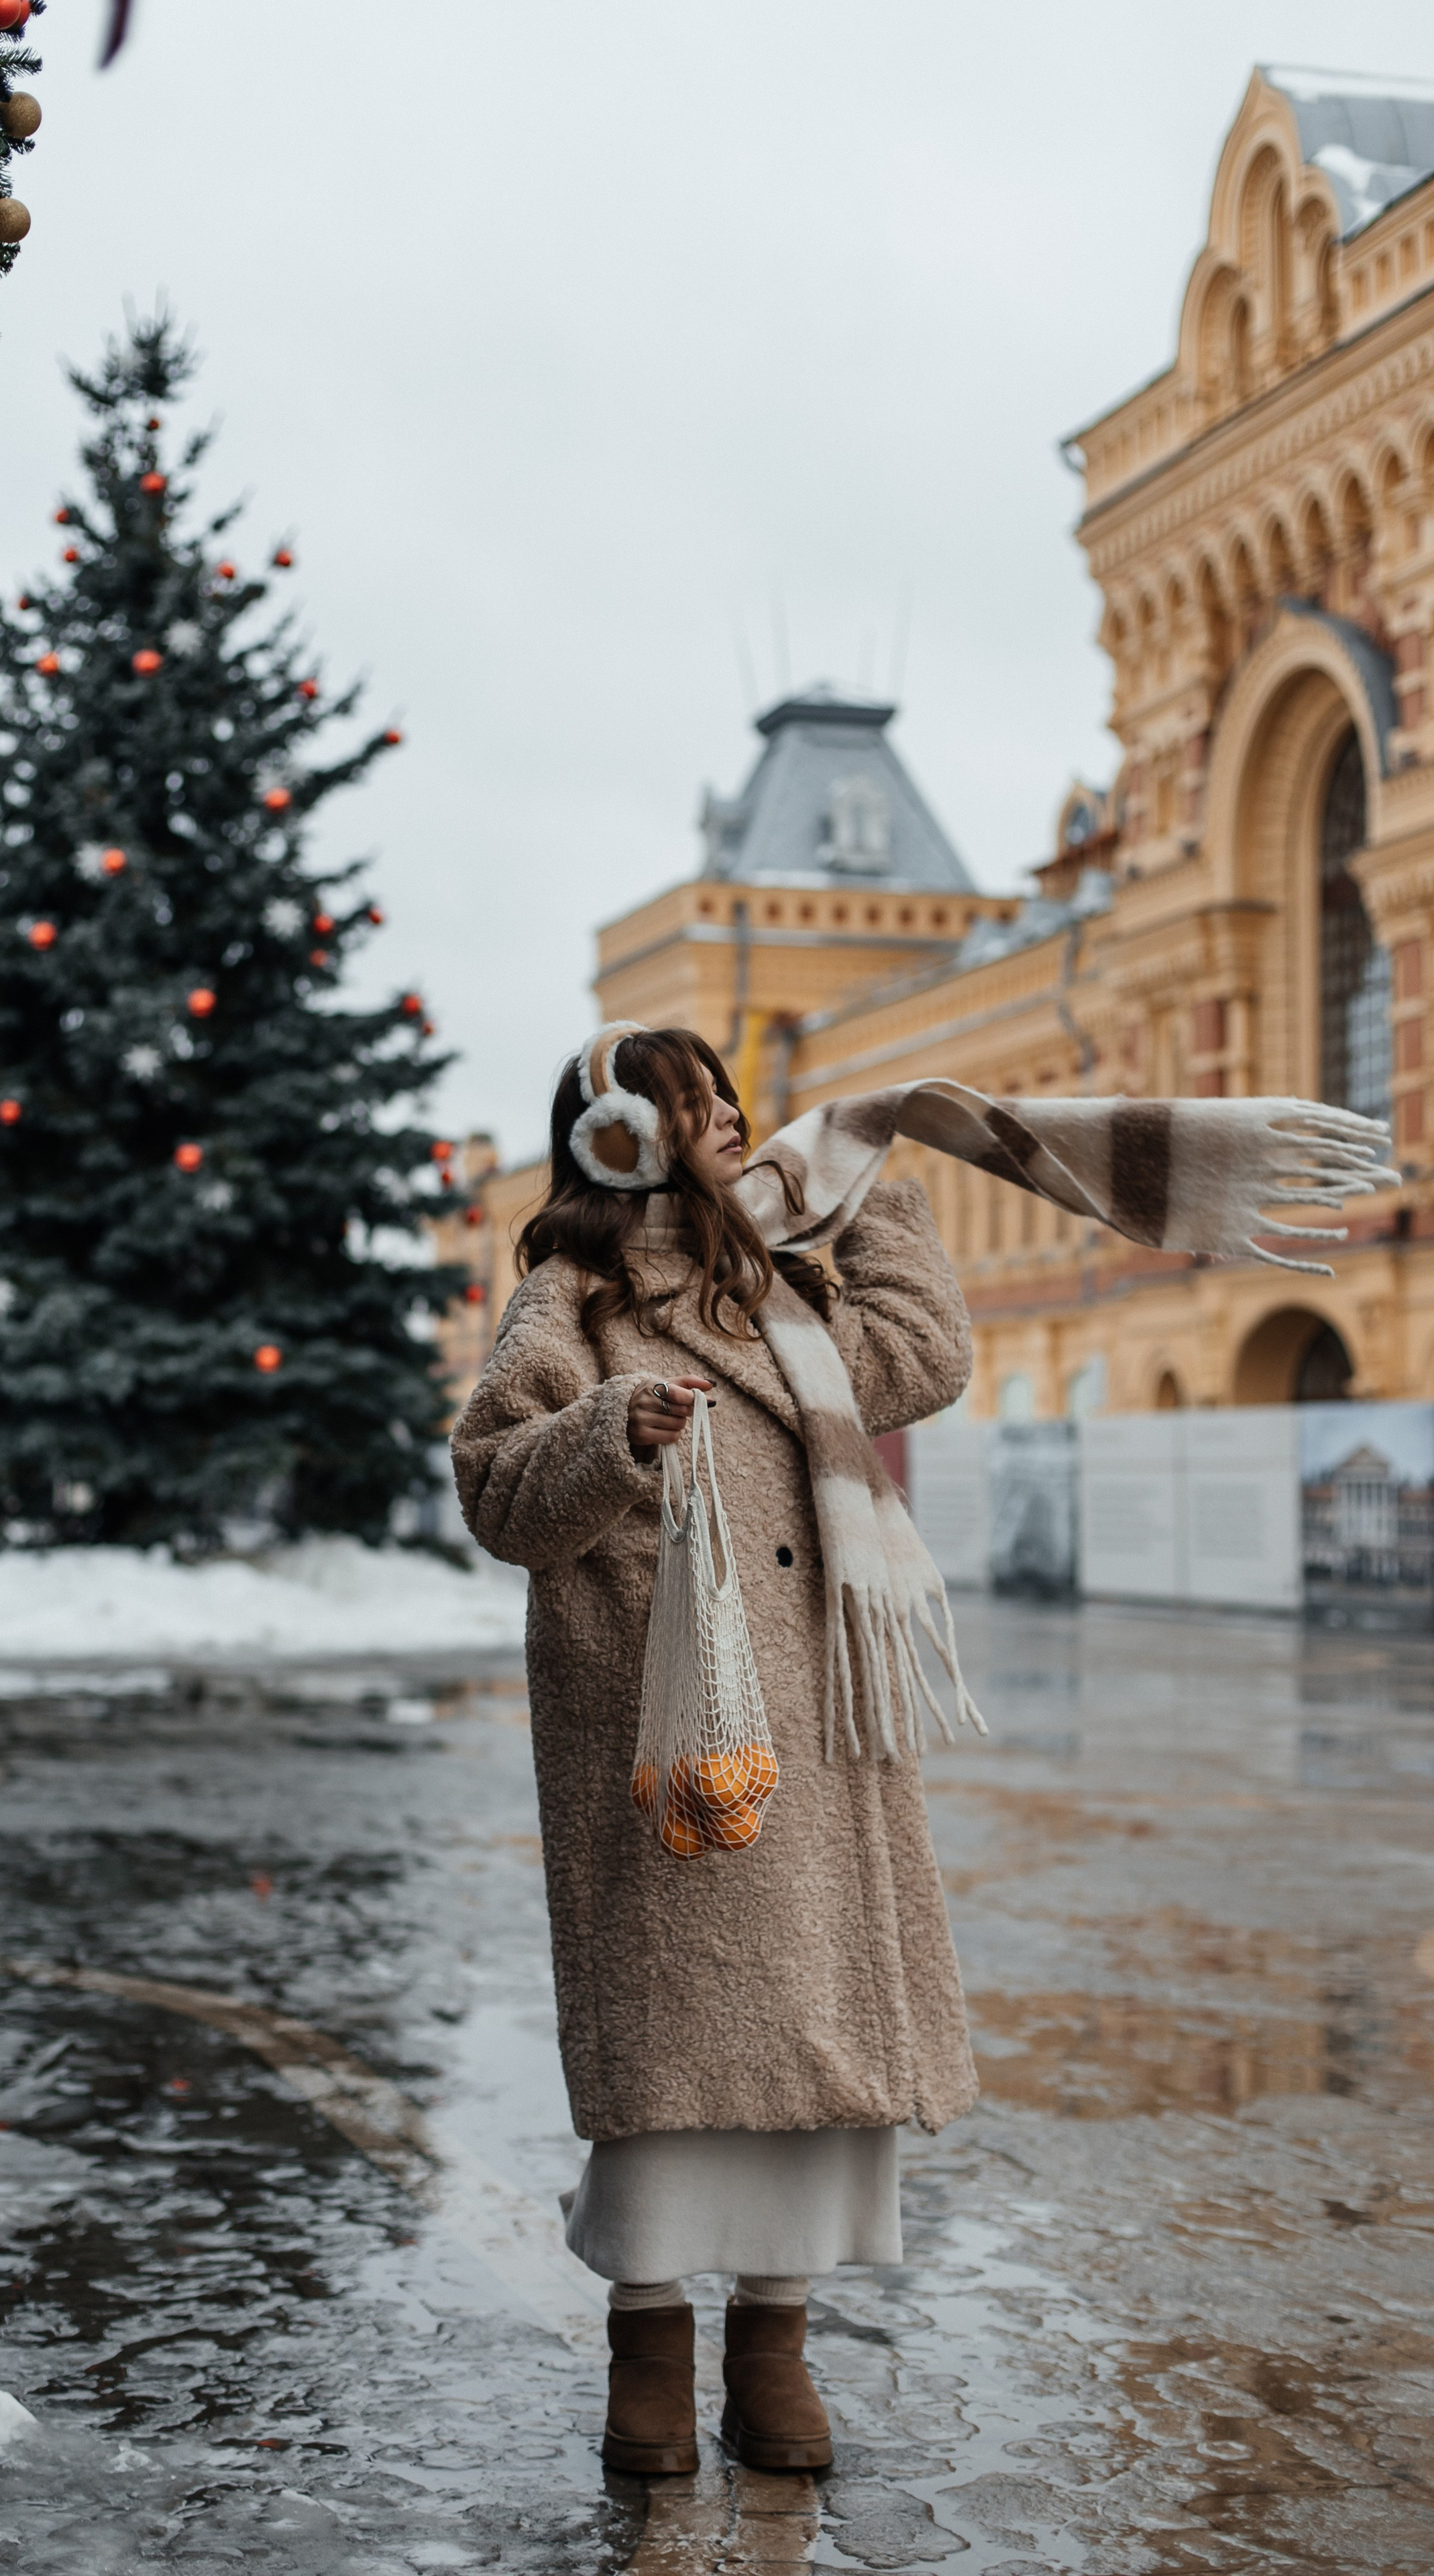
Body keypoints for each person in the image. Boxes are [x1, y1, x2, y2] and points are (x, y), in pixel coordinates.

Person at [451, 1023, 979, 2476]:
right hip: (659, 1725)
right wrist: (614, 1424)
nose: (735, 1120)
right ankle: (646, 2344)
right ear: (619, 1136)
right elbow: (496, 1487)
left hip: (809, 1720)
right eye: (698, 1102)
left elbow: (923, 1356)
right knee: (673, 2055)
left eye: (737, 1097)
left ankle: (773, 2346)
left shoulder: (782, 1292)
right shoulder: (573, 1298)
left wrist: (862, 1183)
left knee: (807, 2043)